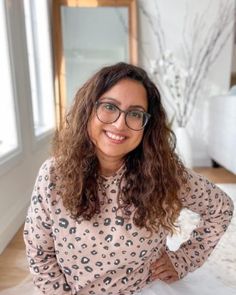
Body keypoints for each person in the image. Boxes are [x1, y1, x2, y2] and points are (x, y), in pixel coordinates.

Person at [23, 62, 234, 295]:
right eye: (109, 107)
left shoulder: (164, 172)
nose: (120, 123)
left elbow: (221, 208)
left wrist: (183, 259)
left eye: (135, 114)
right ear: (88, 111)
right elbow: (40, 254)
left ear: (147, 125)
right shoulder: (53, 175)